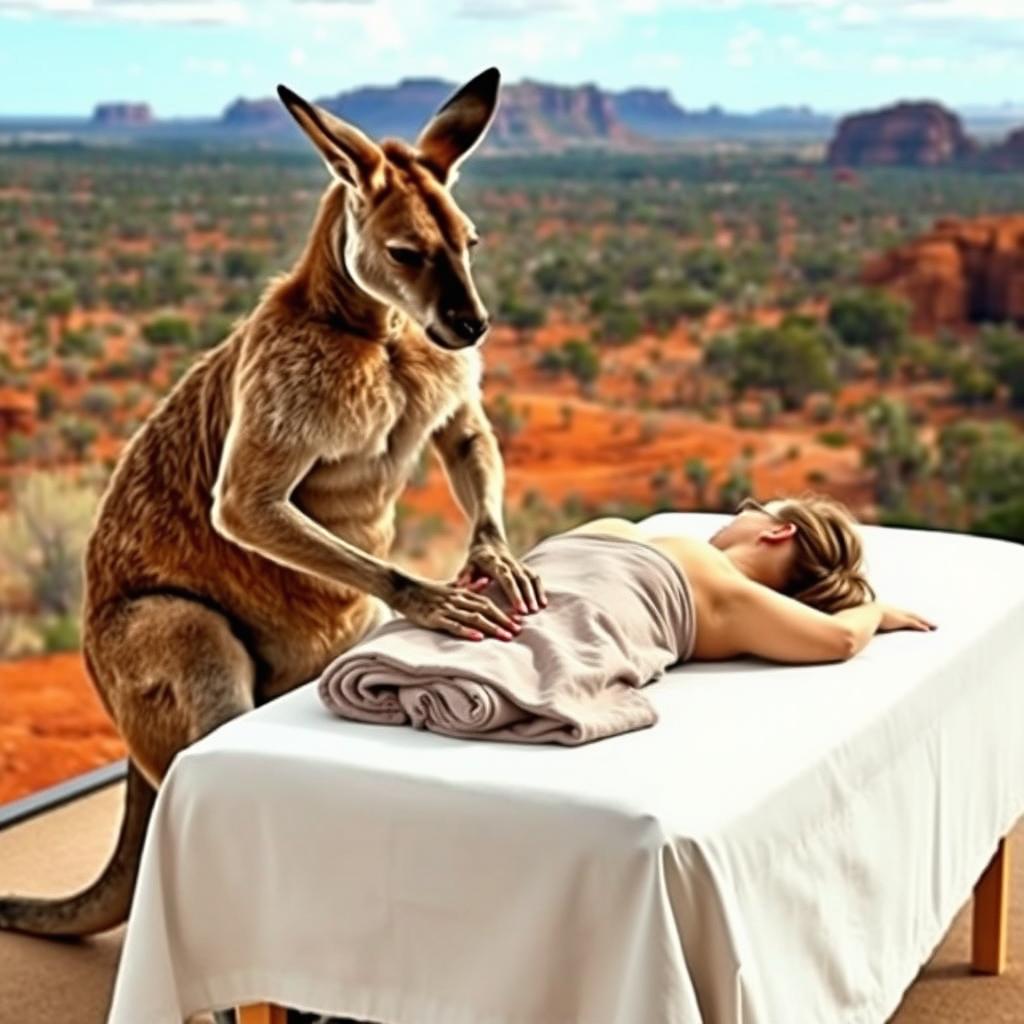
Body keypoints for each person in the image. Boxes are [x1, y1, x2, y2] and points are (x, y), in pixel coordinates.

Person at [456, 491, 936, 664]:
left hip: (518, 639)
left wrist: (877, 611)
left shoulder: (731, 594)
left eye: (753, 509)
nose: (734, 517)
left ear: (778, 531)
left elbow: (840, 639)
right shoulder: (714, 583)